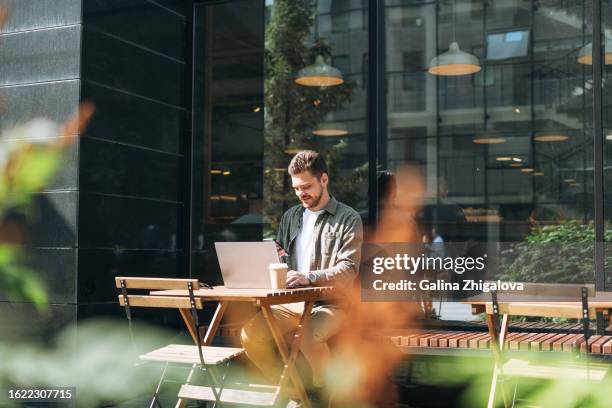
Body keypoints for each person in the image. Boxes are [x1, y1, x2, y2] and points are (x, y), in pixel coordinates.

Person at [240, 150, 363, 397]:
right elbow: (283, 255)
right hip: (291, 303)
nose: (301, 193)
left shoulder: (348, 218)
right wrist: (274, 255)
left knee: (307, 335)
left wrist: (310, 277)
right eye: (296, 188)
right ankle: (294, 392)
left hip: (331, 305)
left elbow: (348, 269)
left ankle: (328, 394)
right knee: (250, 334)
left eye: (306, 186)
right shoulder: (291, 217)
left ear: (324, 180)